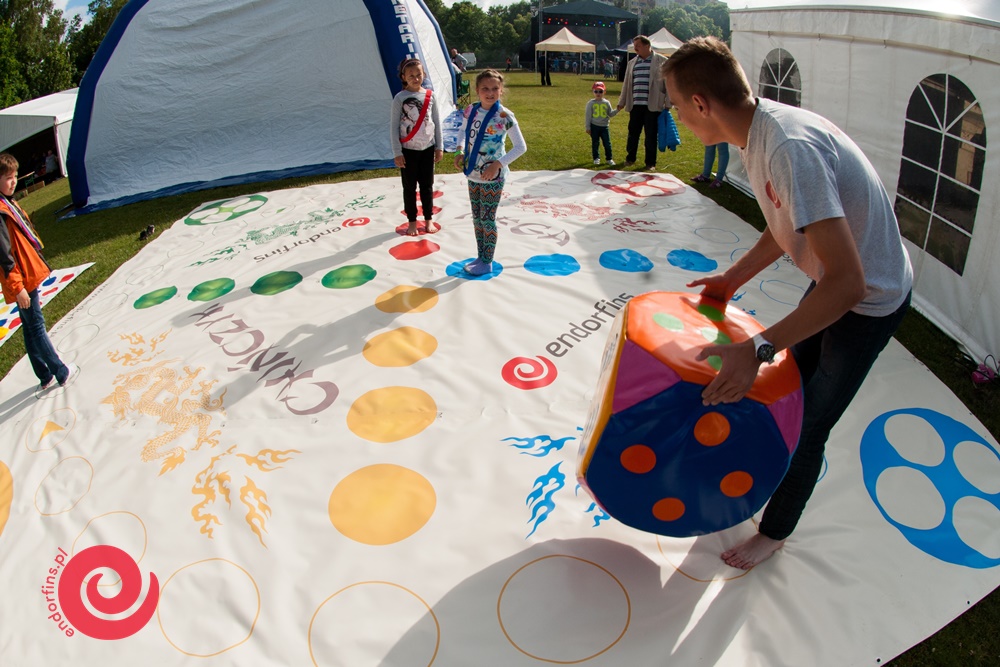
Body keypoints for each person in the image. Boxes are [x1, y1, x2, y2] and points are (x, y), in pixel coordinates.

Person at [663, 37, 913, 569]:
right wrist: (732, 278)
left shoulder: (786, 148)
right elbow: (787, 223)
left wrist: (756, 349)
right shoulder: (758, 133)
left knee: (809, 423)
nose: (678, 117)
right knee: (786, 397)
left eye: (679, 106)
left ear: (702, 103)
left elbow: (850, 286)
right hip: (836, 280)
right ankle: (761, 474)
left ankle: (774, 532)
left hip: (871, 299)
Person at [0, 153, 77, 394]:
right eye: (8, 178)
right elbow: (3, 255)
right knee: (36, 325)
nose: (13, 182)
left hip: (25, 273)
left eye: (15, 177)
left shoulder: (6, 202)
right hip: (21, 277)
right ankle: (59, 371)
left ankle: (43, 374)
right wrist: (18, 287)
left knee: (29, 325)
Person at [453, 70, 527, 276]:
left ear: (501, 91)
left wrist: (498, 164)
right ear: (477, 91)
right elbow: (463, 131)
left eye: (495, 88)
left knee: (487, 219)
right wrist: (460, 150)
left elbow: (521, 147)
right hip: (473, 174)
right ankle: (480, 256)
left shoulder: (504, 116)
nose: (490, 92)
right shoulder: (471, 110)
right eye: (485, 88)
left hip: (493, 178)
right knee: (477, 218)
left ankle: (488, 260)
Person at [390, 58, 444, 236]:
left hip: (427, 149)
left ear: (424, 75)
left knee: (427, 186)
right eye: (411, 75)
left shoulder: (431, 96)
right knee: (409, 187)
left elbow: (436, 122)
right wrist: (397, 152)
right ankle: (412, 222)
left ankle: (428, 219)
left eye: (418, 74)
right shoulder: (400, 98)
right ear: (404, 77)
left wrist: (439, 147)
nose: (415, 78)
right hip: (408, 150)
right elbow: (393, 126)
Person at [617, 36, 670, 171]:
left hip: (652, 105)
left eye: (638, 45)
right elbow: (626, 85)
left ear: (647, 46)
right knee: (633, 133)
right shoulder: (632, 63)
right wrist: (621, 102)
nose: (635, 48)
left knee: (651, 135)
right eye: (634, 46)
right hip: (635, 104)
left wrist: (668, 103)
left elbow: (669, 85)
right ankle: (630, 158)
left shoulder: (662, 62)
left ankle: (650, 162)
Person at [585, 81, 618, 166]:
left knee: (607, 143)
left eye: (600, 91)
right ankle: (596, 158)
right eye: (596, 91)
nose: (598, 93)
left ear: (604, 92)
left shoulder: (606, 103)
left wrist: (617, 109)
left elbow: (610, 113)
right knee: (595, 143)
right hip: (594, 126)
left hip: (604, 127)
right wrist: (588, 127)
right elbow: (588, 116)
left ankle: (609, 158)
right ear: (593, 92)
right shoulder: (590, 103)